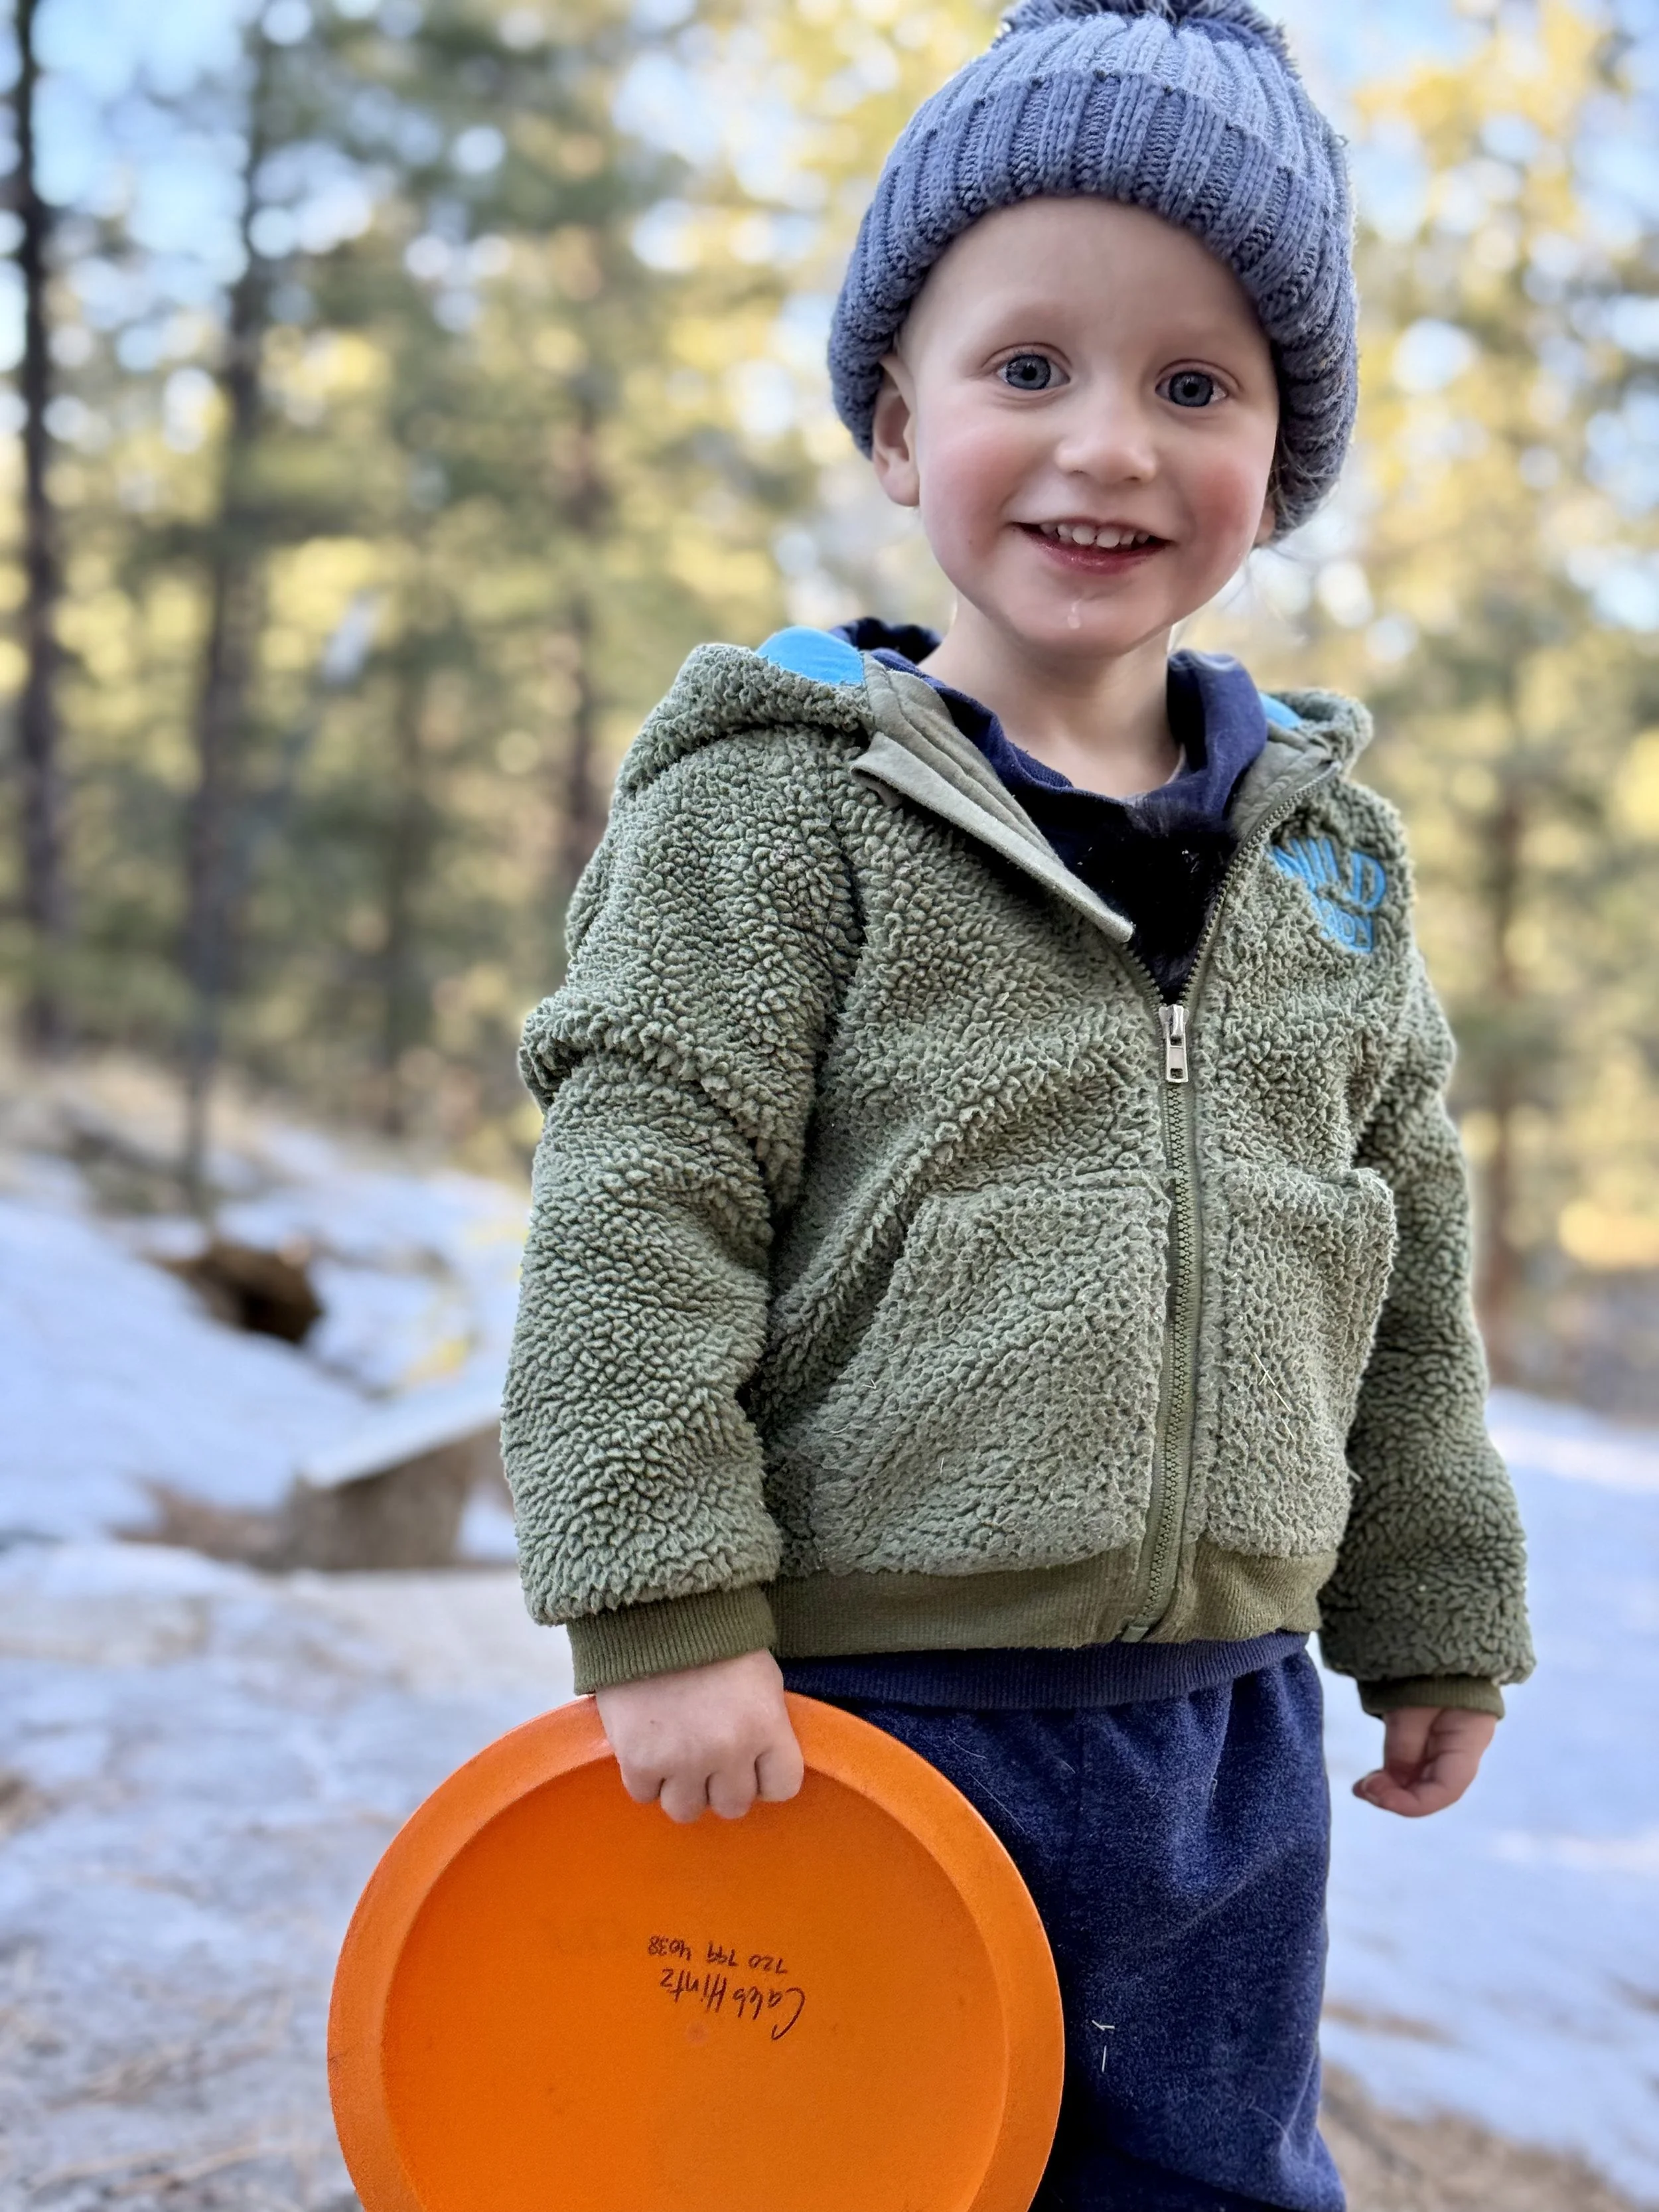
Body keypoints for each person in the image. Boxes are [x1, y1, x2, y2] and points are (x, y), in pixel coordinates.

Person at [502, 2, 1533, 2204]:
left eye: (1195, 386)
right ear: (898, 425)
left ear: (1283, 451)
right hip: (859, 1715)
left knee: (1207, 2174)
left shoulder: (1325, 863)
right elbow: (636, 1198)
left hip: (1222, 1729)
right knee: (845, 2168)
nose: (1108, 446)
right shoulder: (777, 810)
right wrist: (661, 1601)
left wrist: (1434, 1589)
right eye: (1028, 367)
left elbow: (1399, 1247)